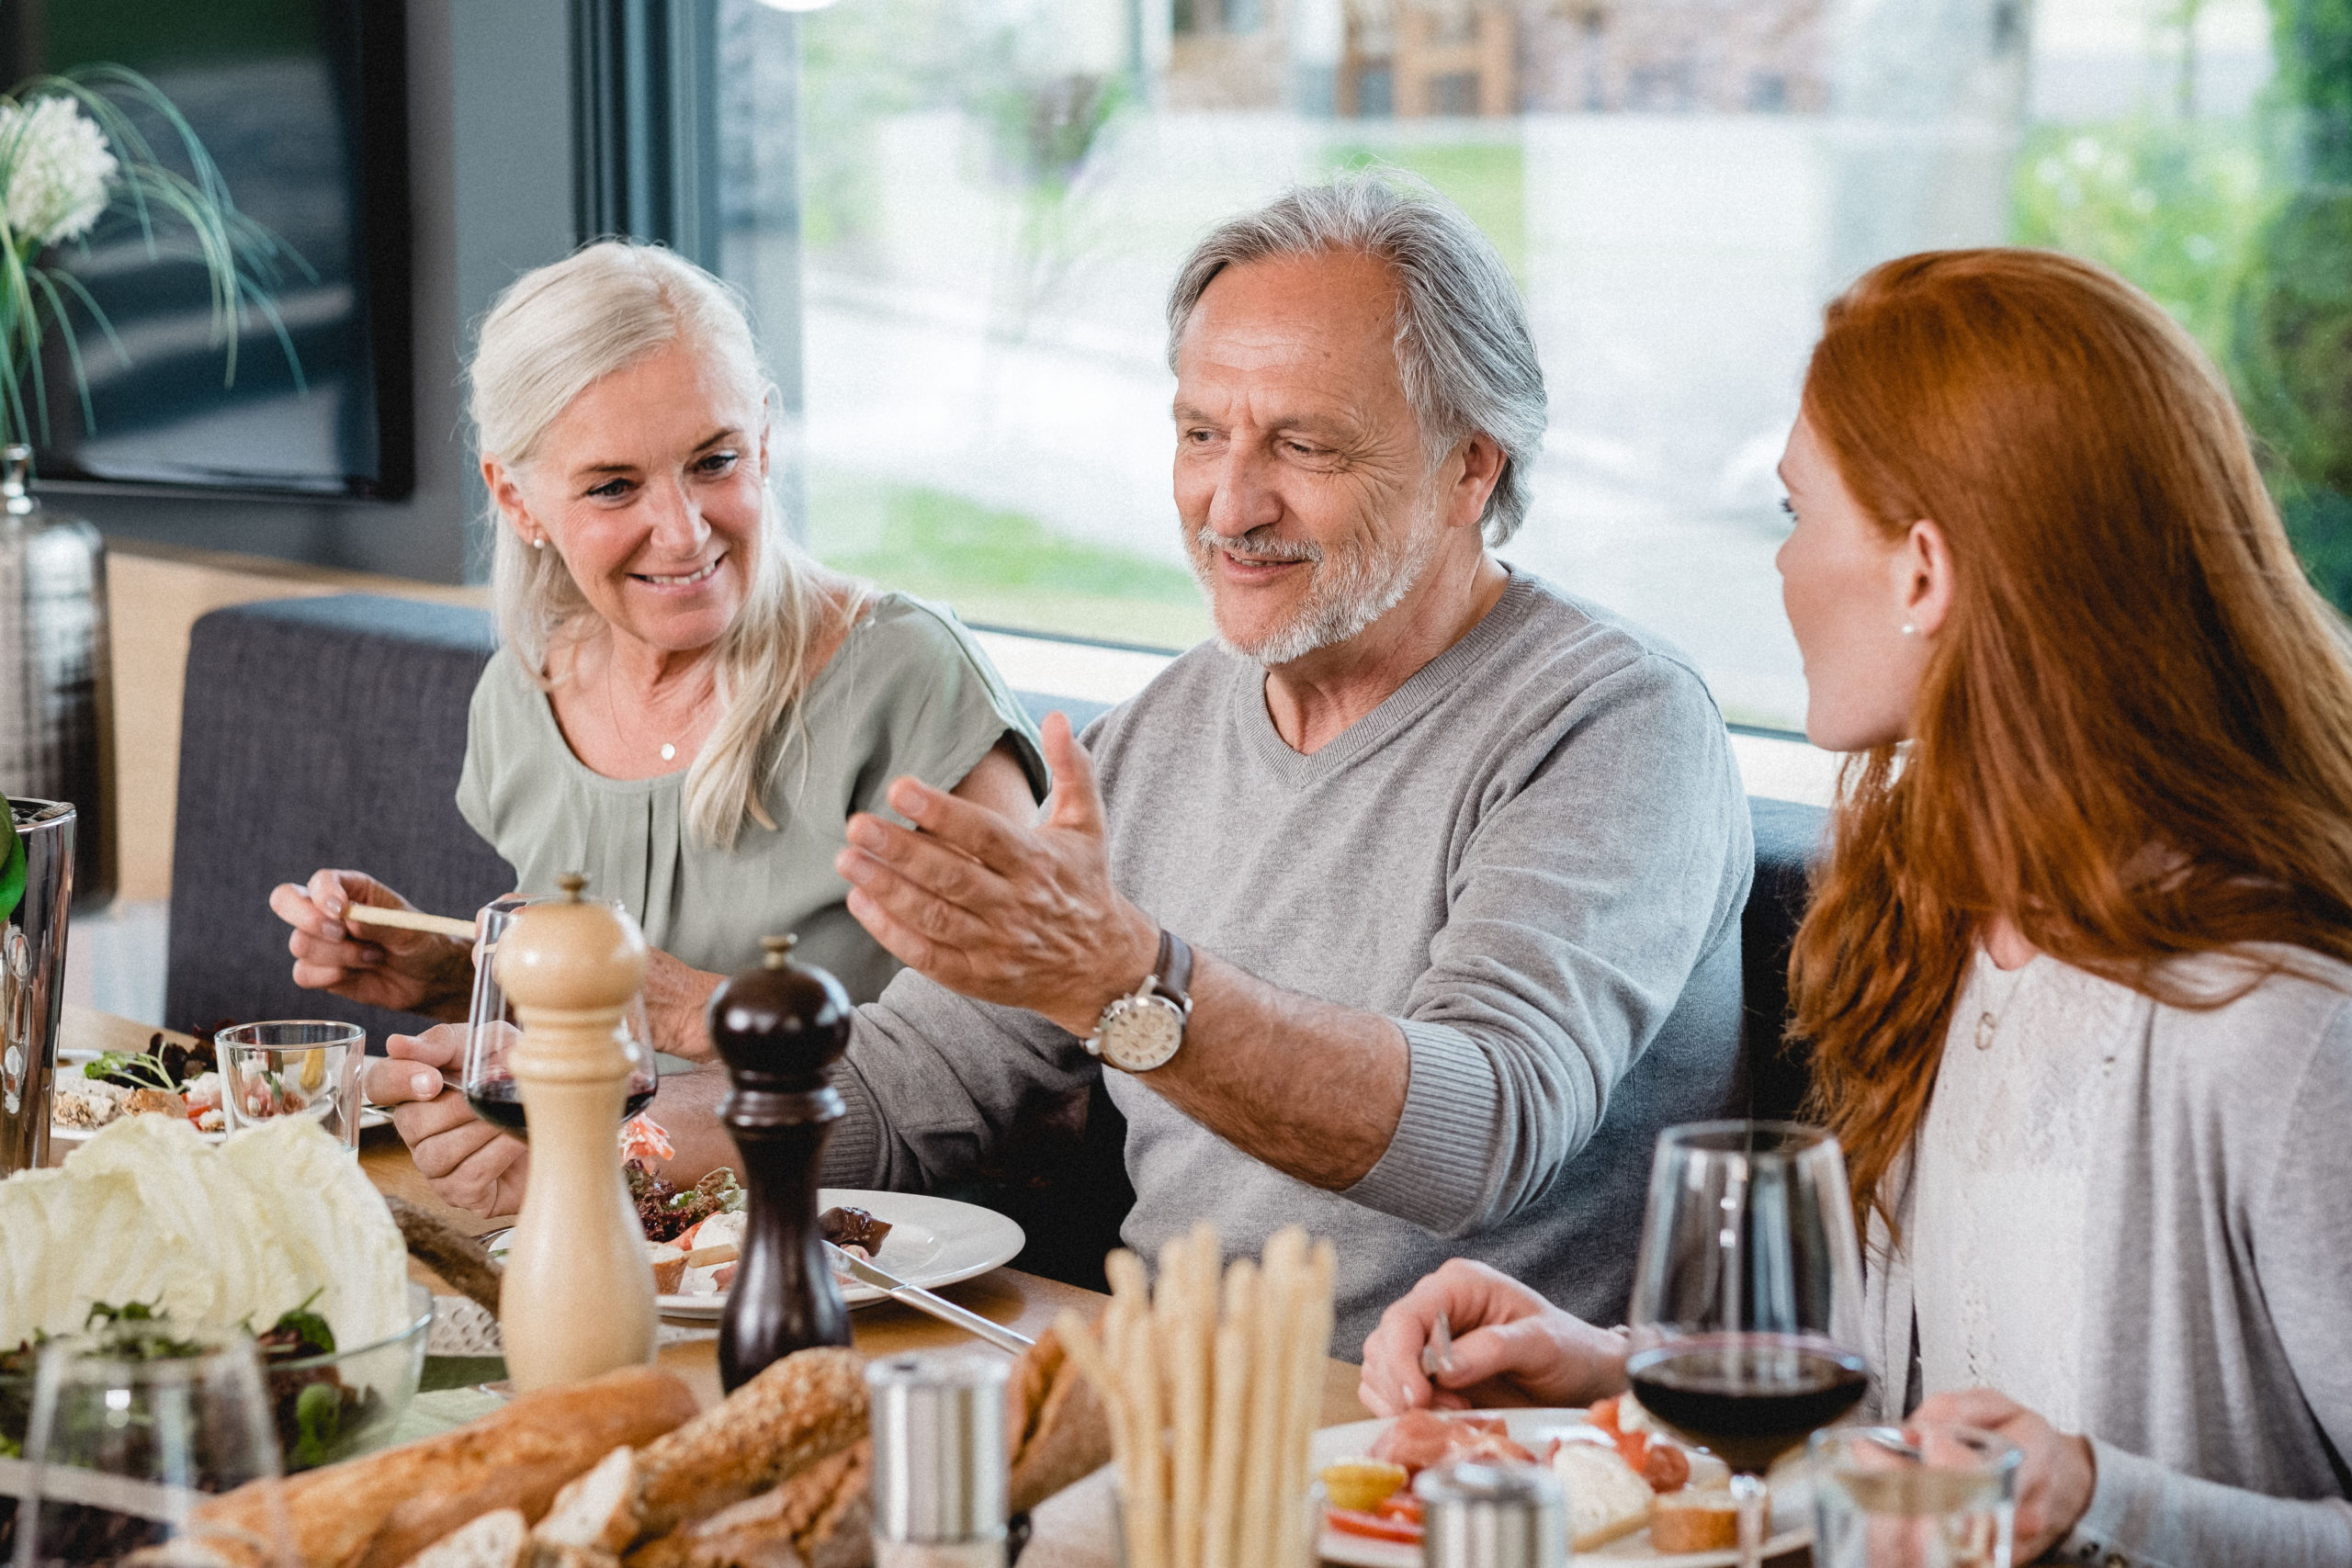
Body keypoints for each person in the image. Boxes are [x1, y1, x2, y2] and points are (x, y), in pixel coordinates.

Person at [1359, 249, 2352, 1563]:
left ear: (1923, 570)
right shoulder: (1949, 924)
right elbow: (1913, 1419)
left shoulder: (2283, 1026)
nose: (1780, 569)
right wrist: (1609, 1366)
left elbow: (2035, 1478)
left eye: (1795, 513)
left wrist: (2097, 1494)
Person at [797, 172, 1753, 1353]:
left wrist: (1127, 985)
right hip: (1160, 1410)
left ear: (1471, 467)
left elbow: (1487, 1125)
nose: (1229, 504)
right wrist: (601, 1131)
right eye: (1201, 434)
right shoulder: (1159, 728)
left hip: (1456, 1456)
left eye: (1302, 444)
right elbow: (908, 1091)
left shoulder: (1613, 722)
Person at [268, 241, 1046, 1215]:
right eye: (612, 487)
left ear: (763, 439)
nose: (682, 532)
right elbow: (600, 1060)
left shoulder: (907, 679)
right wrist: (453, 981)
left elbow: (1019, 1063)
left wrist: (676, 1020)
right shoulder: (522, 694)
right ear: (518, 498)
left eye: (713, 462)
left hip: (882, 1264)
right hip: (609, 1231)